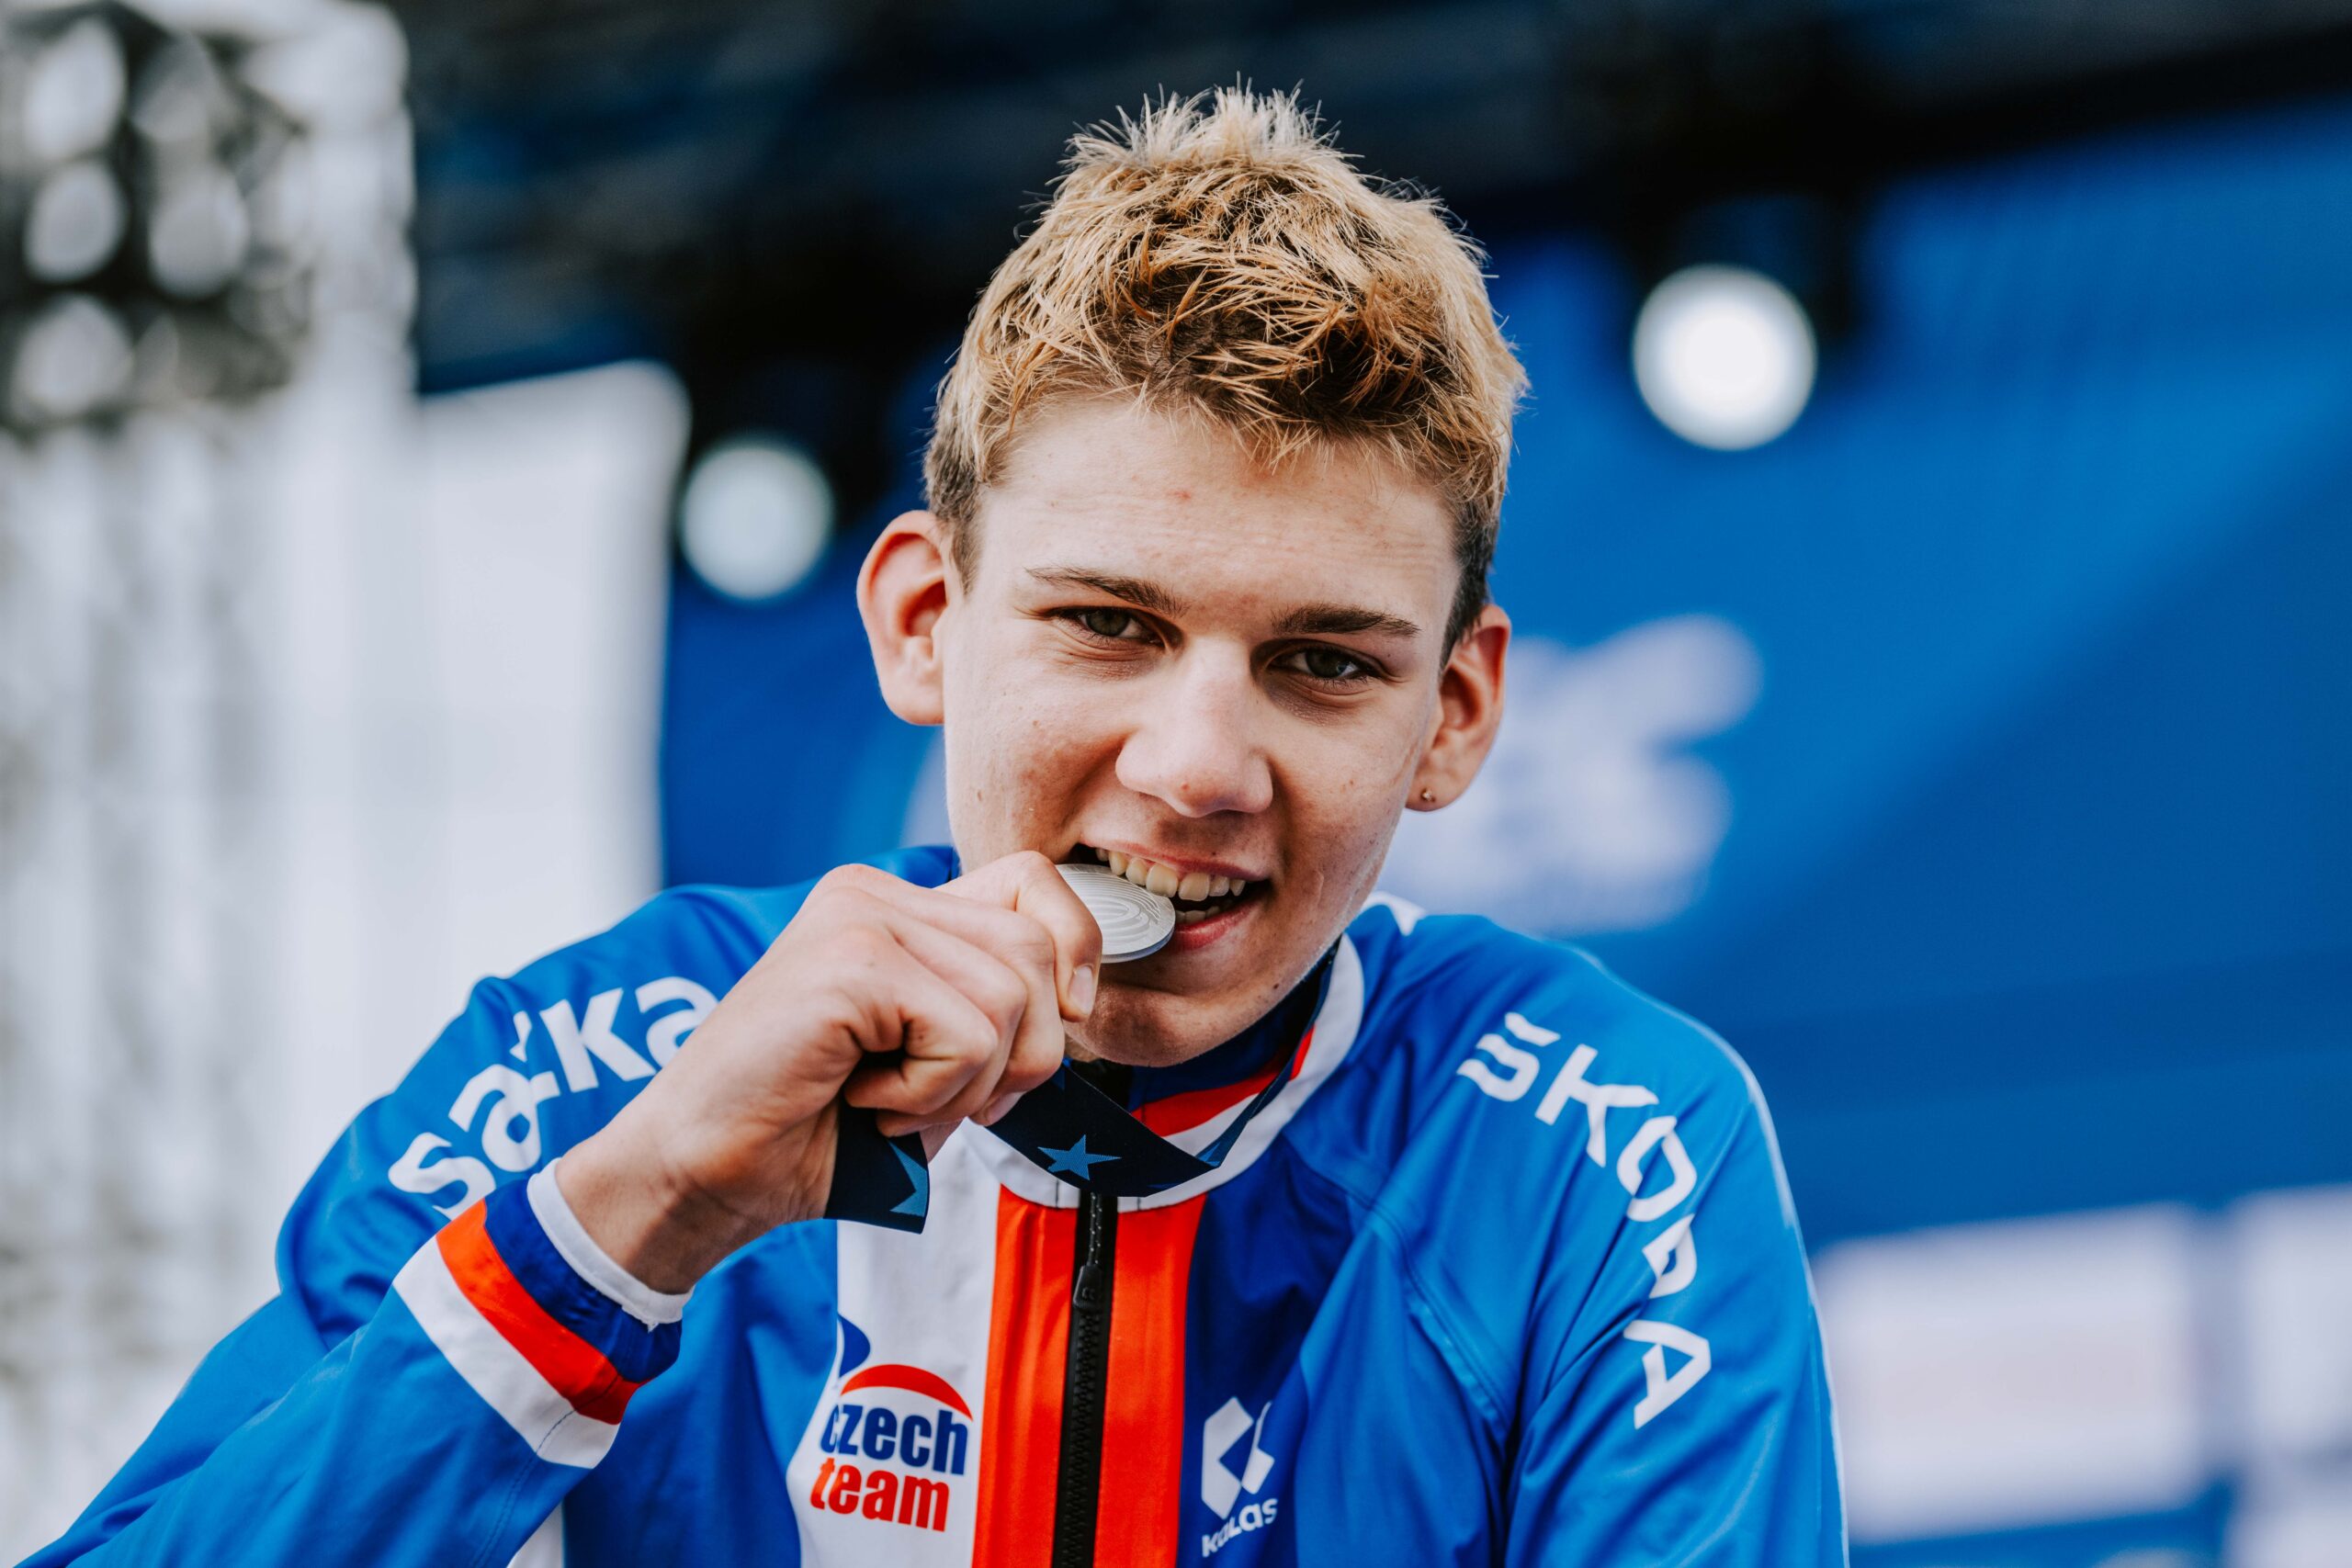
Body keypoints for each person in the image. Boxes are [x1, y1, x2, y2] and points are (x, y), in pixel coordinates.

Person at [26, 86, 1843, 1567]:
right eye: (1108, 625)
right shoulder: (599, 1067)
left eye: (1320, 663)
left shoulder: (1602, 1141)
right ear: (919, 623)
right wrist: (634, 1217)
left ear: (1451, 714)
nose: (1200, 767)